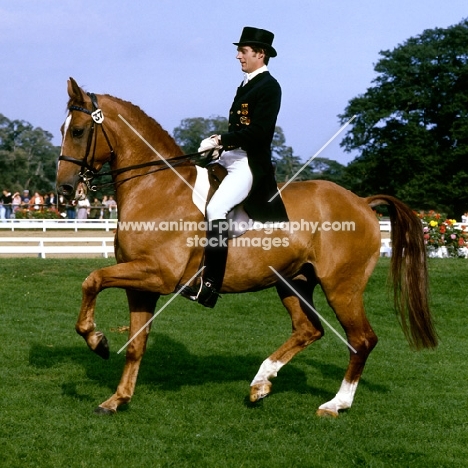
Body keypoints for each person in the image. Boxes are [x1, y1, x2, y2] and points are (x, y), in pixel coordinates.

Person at [181, 26, 288, 308]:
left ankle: (210, 287)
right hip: (230, 157)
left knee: (216, 209)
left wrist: (222, 138)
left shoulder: (269, 86)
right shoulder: (246, 83)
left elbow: (261, 132)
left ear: (260, 54)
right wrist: (219, 147)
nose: (238, 56)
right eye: (239, 51)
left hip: (249, 164)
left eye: (243, 51)